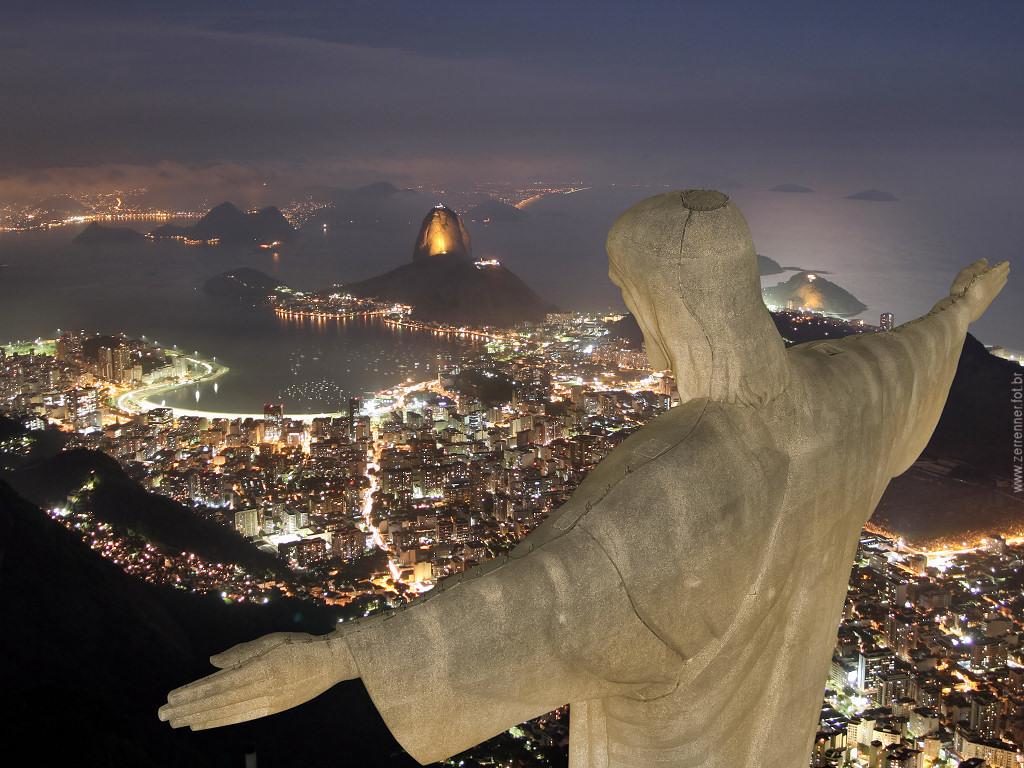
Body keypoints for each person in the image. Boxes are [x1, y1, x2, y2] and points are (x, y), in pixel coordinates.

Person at [160, 189, 1009, 768]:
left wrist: (338, 659)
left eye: (631, 297)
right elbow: (911, 355)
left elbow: (540, 597)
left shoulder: (678, 477)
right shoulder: (842, 396)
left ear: (663, 305)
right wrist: (960, 309)